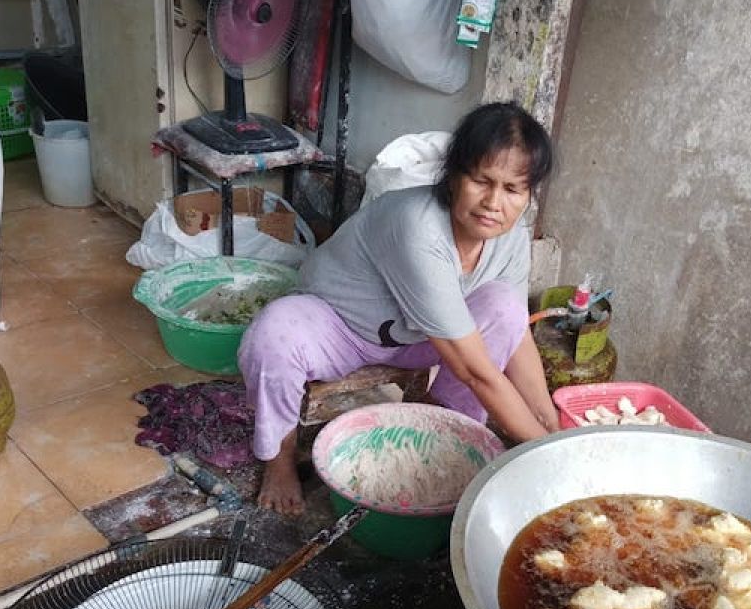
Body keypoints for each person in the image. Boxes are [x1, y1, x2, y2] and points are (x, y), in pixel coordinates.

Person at [239, 102, 560, 514]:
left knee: (504, 307)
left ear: (528, 195)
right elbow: (477, 371)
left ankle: (447, 436)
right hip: (341, 330)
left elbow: (517, 338)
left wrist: (551, 427)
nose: (493, 203)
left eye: (513, 189)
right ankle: (279, 461)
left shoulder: (511, 238)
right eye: (481, 181)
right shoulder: (418, 224)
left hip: (425, 337)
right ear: (453, 177)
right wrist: (542, 453)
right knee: (275, 332)